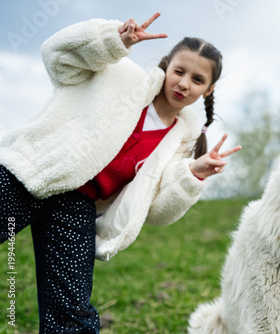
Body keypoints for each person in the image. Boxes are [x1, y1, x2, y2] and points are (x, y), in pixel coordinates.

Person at [0, 12, 241, 333]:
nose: (183, 84)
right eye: (179, 71)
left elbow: (156, 210)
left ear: (208, 90)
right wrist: (112, 40)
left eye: (197, 80)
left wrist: (192, 174)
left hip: (78, 206)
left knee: (71, 317)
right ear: (166, 66)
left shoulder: (182, 144)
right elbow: (56, 58)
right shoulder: (118, 75)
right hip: (31, 172)